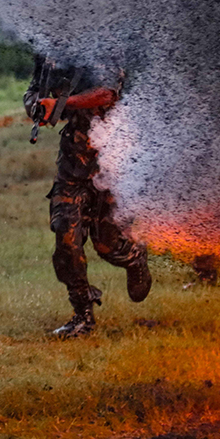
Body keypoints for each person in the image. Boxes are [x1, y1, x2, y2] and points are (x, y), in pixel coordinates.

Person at [24, 53, 151, 337]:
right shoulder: (48, 52)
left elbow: (107, 94)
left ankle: (133, 256)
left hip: (113, 159)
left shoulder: (101, 43)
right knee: (65, 238)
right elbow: (33, 90)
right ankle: (82, 315)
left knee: (108, 244)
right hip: (74, 162)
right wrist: (36, 107)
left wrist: (62, 104)